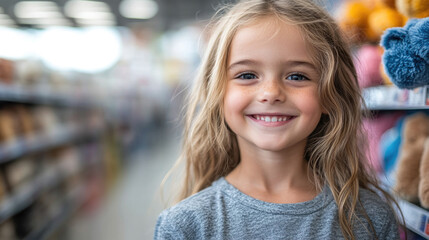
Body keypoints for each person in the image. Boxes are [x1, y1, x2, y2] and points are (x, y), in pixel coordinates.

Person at [154, 0, 401, 239]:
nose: (271, 93)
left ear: (330, 94)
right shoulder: (185, 225)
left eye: (296, 76)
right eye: (247, 74)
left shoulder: (370, 218)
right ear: (217, 93)